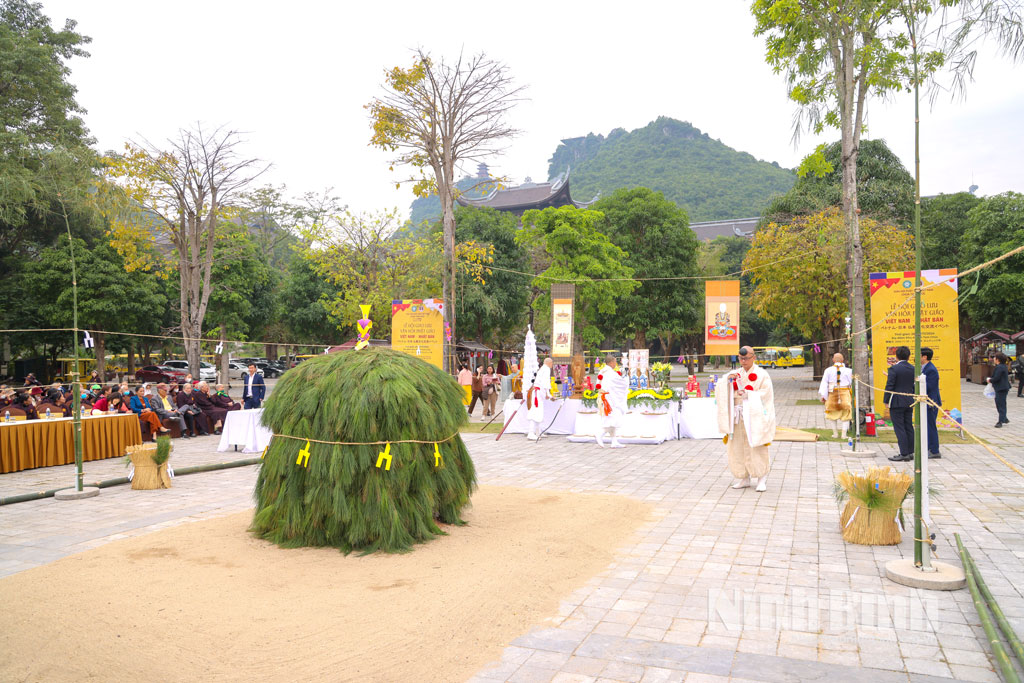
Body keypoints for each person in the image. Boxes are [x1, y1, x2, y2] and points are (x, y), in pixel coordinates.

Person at [715, 346, 776, 491]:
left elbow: (766, 394)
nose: (743, 361)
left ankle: (761, 478)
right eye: (741, 359)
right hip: (737, 415)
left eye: (746, 358)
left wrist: (750, 395)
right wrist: (727, 381)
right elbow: (721, 386)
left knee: (756, 445)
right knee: (738, 446)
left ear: (753, 357)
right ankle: (744, 477)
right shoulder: (735, 373)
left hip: (754, 416)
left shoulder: (762, 374)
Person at [884, 346, 916, 461]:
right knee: (908, 426)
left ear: (896, 356)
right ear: (909, 356)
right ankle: (911, 452)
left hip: (897, 400)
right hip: (909, 400)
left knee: (899, 427)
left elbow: (890, 385)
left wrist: (886, 400)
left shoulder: (894, 369)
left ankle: (904, 453)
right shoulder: (913, 368)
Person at [595, 354, 628, 448]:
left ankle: (614, 441)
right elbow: (621, 384)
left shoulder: (602, 371)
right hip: (610, 399)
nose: (616, 364)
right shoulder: (610, 373)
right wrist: (627, 379)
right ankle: (600, 434)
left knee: (612, 420)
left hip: (605, 397)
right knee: (612, 419)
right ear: (611, 362)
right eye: (615, 362)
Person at [818, 352, 853, 439]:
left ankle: (835, 434)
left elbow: (824, 384)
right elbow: (851, 383)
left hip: (832, 393)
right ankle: (844, 435)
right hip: (845, 393)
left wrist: (824, 396)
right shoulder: (849, 371)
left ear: (833, 360)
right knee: (846, 414)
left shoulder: (828, 370)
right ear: (842, 360)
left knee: (832, 414)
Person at [525, 357, 553, 441]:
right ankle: (531, 433)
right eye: (552, 363)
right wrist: (548, 394)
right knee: (536, 413)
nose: (552, 365)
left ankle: (538, 431)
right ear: (549, 363)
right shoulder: (546, 369)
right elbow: (545, 382)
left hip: (538, 392)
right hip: (538, 393)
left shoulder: (542, 369)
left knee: (539, 413)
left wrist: (547, 394)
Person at [921, 347, 941, 458]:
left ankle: (934, 450)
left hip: (931, 403)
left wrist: (917, 383)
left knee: (930, 426)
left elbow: (929, 386)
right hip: (925, 402)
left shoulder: (931, 369)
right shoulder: (923, 368)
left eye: (919, 355)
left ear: (925, 357)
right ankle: (928, 447)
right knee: (926, 426)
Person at [988, 353, 1011, 428]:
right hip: (1002, 387)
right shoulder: (1003, 366)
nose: (994, 359)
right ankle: (1004, 418)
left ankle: (1000, 421)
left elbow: (996, 378)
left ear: (998, 359)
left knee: (1000, 404)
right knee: (1000, 403)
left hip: (1001, 388)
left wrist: (990, 380)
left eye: (995, 357)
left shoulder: (1000, 367)